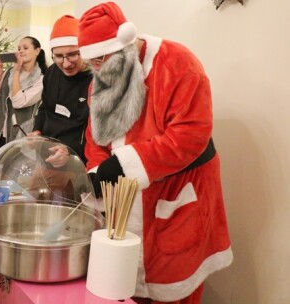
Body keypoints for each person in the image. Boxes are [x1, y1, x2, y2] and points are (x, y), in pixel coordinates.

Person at [77, 2, 233, 303]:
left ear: (125, 44)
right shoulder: (101, 78)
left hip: (177, 195)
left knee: (174, 284)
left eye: (102, 59)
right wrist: (98, 171)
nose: (97, 69)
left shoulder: (178, 64)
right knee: (123, 284)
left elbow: (190, 135)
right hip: (124, 203)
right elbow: (95, 138)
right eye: (92, 63)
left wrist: (124, 165)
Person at [30, 15, 92, 164]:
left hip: (78, 161)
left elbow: (96, 135)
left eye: (72, 55)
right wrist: (37, 130)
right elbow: (45, 107)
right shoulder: (51, 72)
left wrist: (69, 153)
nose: (65, 64)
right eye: (58, 56)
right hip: (47, 156)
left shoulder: (94, 80)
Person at [0, 36, 48, 160]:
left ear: (37, 51)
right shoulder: (8, 73)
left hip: (18, 138)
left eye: (25, 48)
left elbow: (18, 102)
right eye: (19, 48)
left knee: (10, 177)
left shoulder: (41, 79)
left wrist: (17, 71)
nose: (21, 51)